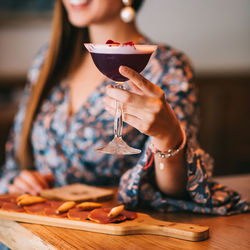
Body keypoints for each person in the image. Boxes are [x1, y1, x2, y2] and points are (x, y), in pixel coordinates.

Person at [0, 0, 248, 216]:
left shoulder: (167, 67)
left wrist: (167, 136)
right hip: (37, 225)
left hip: (109, 232)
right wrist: (20, 182)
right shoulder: (49, 60)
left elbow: (177, 191)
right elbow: (13, 164)